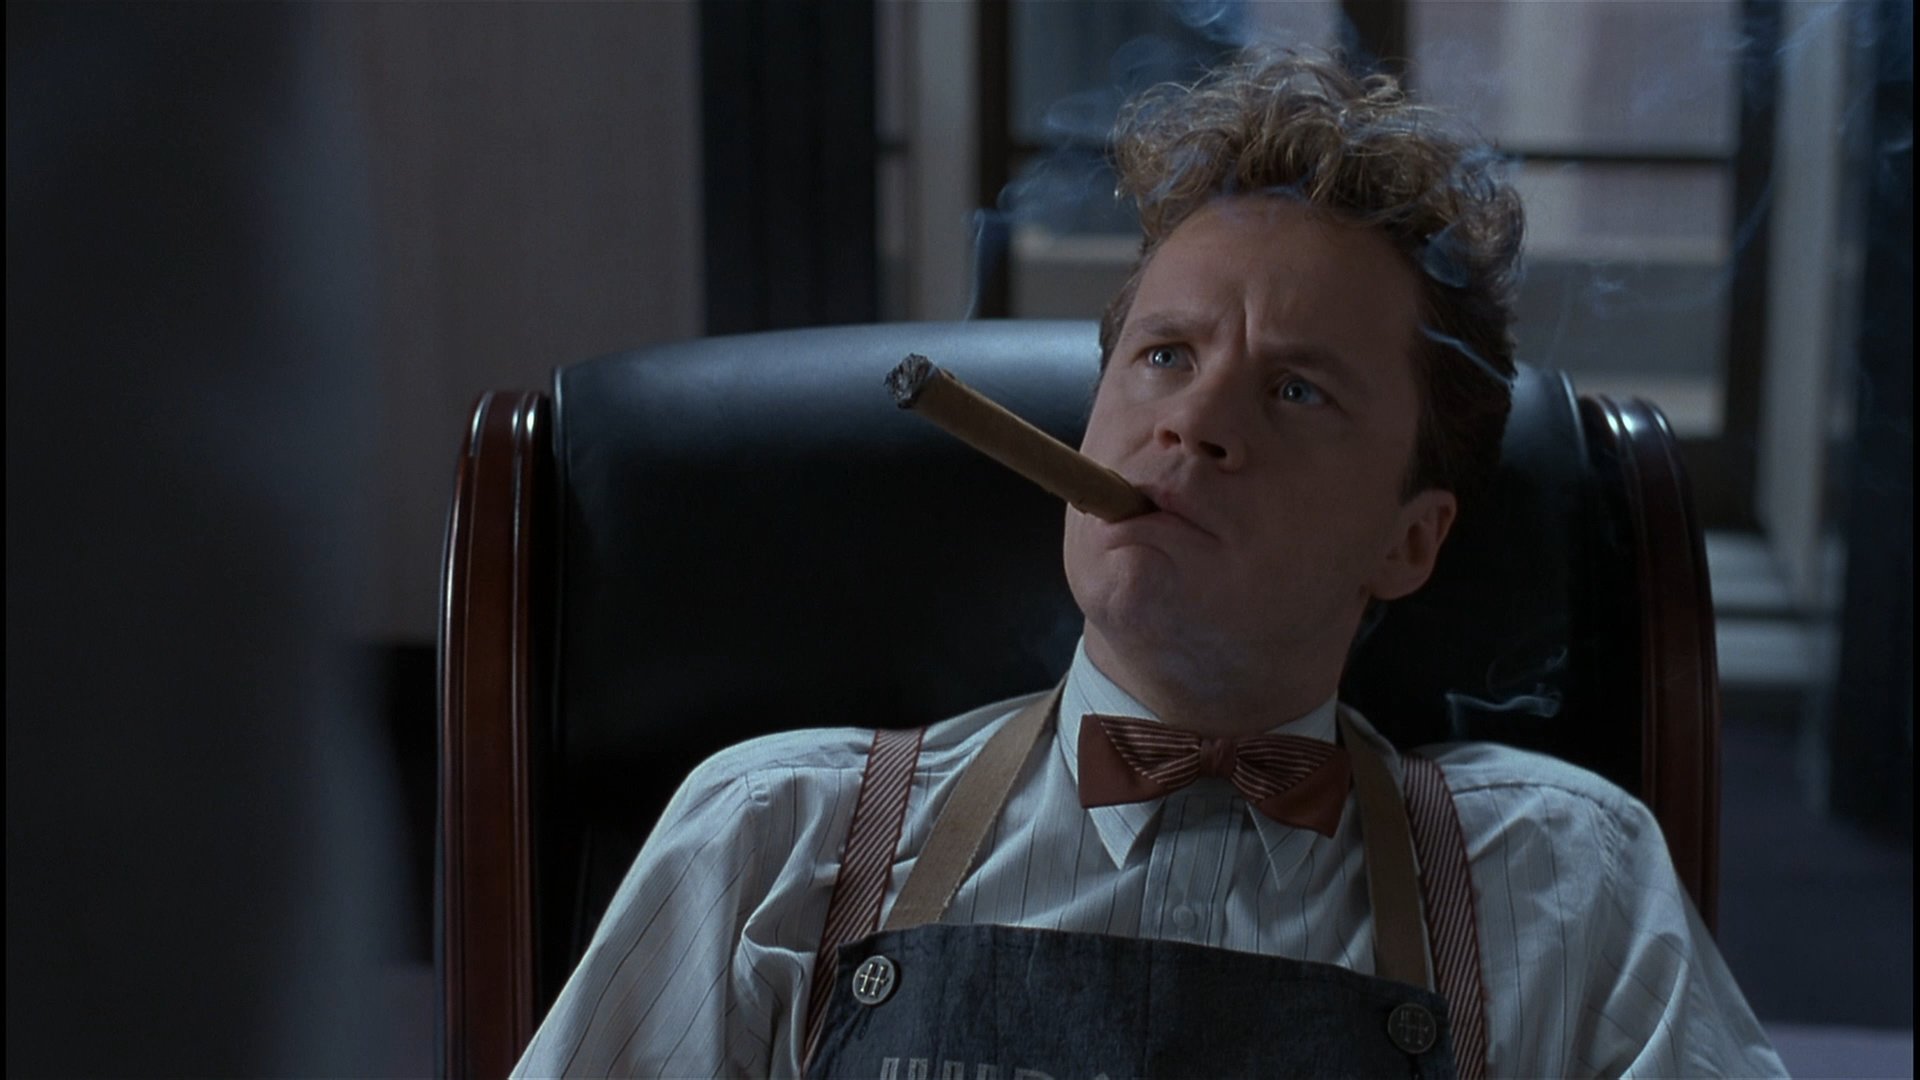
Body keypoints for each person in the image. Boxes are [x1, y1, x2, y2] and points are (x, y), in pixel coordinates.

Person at [513, 47, 1784, 1078]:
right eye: (1166, 356)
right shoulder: (777, 838)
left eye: (1296, 389)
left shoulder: (1570, 882)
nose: (1194, 424)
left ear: (1410, 540)